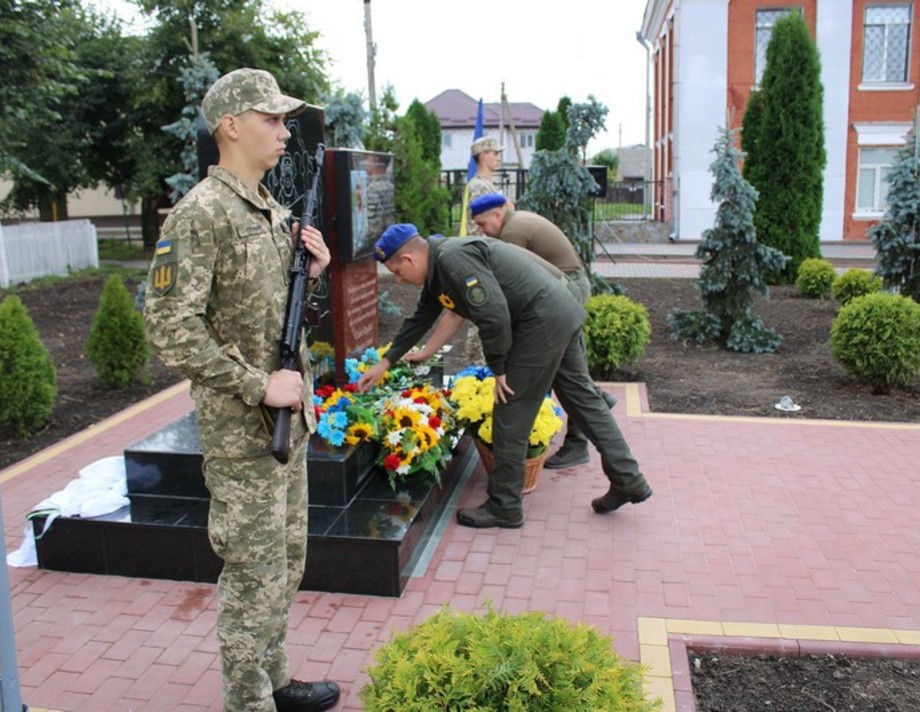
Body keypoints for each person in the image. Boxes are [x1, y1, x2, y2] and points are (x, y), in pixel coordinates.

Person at [144, 68, 340, 712]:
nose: (284, 133)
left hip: (287, 426)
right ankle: (246, 701)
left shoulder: (269, 209)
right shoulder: (200, 214)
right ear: (231, 125)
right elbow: (170, 330)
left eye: (286, 122)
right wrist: (260, 386)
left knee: (286, 564)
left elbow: (272, 316)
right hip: (242, 437)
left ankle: (276, 682)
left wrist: (313, 273)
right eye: (272, 119)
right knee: (253, 577)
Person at [356, 224, 652, 529]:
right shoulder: (439, 268)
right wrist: (385, 362)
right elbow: (421, 317)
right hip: (559, 311)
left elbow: (494, 313)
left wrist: (499, 368)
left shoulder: (452, 260)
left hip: (539, 321)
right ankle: (628, 479)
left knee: (511, 410)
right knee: (584, 400)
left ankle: (505, 505)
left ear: (409, 259)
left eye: (397, 272)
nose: (400, 280)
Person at [467, 192, 616, 469]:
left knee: (565, 371)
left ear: (497, 216)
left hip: (564, 289)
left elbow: (508, 286)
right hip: (564, 286)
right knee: (567, 368)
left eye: (482, 224)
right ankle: (591, 407)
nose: (481, 230)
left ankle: (578, 438)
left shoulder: (512, 233)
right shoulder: (516, 222)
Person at [464, 136, 506, 237]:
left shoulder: (486, 184)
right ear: (483, 156)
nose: (499, 159)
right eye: (495, 154)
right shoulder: (479, 186)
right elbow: (478, 225)